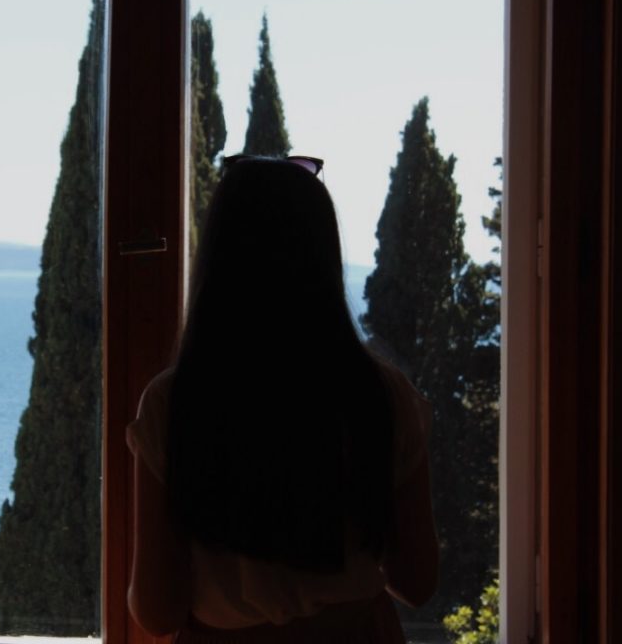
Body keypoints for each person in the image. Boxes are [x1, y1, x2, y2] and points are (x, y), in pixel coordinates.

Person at [127, 155, 438, 643]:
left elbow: (156, 610)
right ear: (323, 255)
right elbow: (417, 582)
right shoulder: (383, 396)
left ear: (218, 260)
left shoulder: (173, 404)